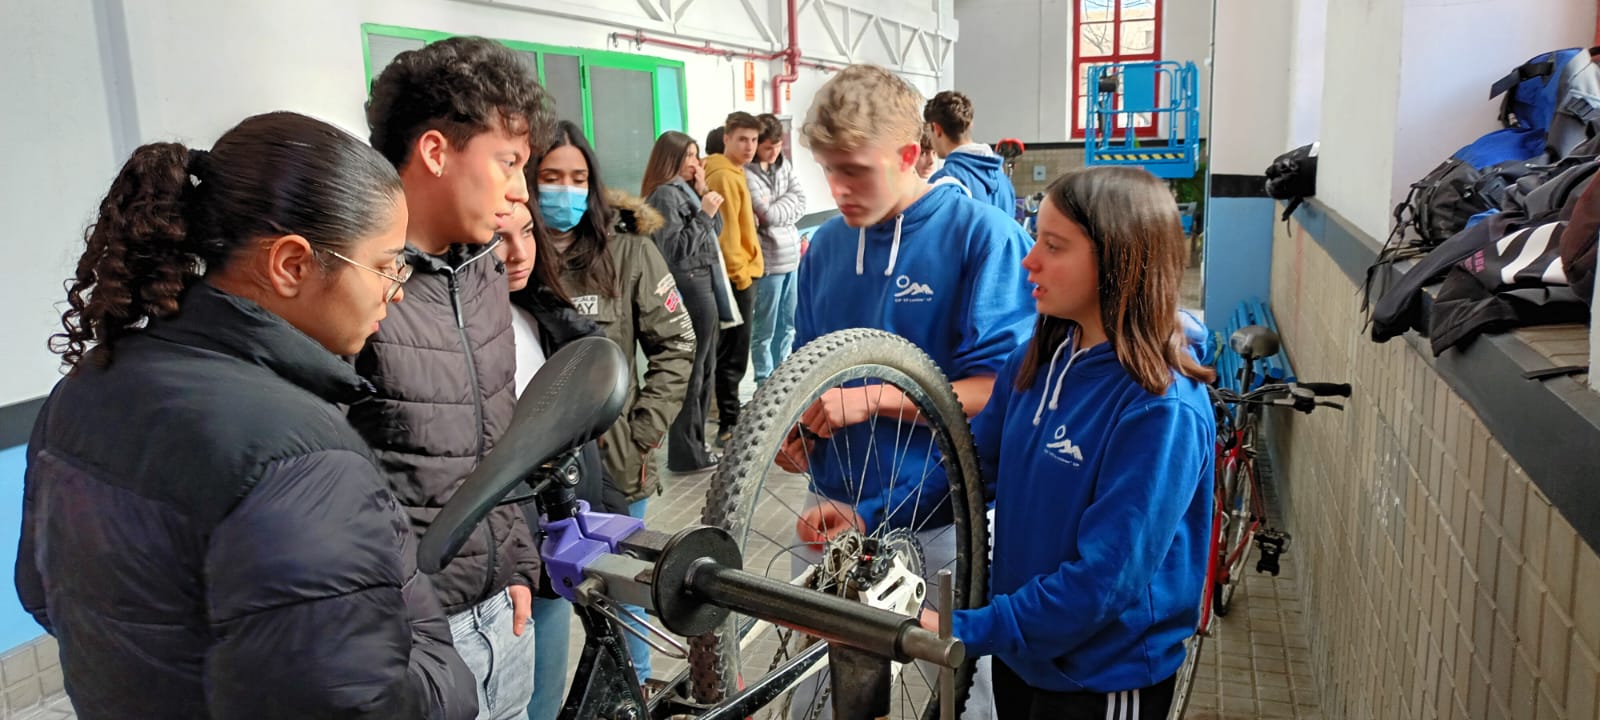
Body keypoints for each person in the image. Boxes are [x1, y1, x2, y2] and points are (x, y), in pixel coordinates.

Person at [16, 111, 476, 719]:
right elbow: (360, 703)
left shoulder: (85, 389)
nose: (395, 291)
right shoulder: (298, 454)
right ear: (291, 263)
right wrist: (443, 665)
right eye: (387, 266)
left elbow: (44, 593)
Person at [779, 63, 1035, 720]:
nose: (837, 190)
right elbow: (812, 364)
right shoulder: (827, 246)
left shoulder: (981, 238)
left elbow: (991, 391)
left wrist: (872, 398)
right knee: (822, 688)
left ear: (912, 154)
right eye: (826, 170)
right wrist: (799, 432)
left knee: (963, 688)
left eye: (856, 171)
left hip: (943, 514)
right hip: (839, 505)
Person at [919, 167, 1216, 719]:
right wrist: (871, 517)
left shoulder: (1159, 406)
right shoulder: (1037, 359)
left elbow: (1106, 579)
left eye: (1053, 246)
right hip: (1024, 655)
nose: (1030, 260)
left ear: (1120, 260)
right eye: (1036, 237)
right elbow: (972, 473)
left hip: (1101, 677)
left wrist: (972, 626)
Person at [355, 36, 554, 720]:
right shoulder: (355, 284)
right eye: (508, 162)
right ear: (436, 152)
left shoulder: (484, 270)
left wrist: (514, 562)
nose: (520, 190)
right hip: (409, 638)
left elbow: (502, 441)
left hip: (503, 611)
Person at [531, 120, 694, 686]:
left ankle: (638, 689)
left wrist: (640, 430)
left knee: (624, 593)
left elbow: (678, 341)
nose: (565, 191)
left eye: (578, 178)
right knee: (545, 598)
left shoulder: (627, 252)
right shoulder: (506, 253)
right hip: (531, 476)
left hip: (616, 463)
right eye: (550, 177)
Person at [492, 201, 628, 720]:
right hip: (507, 564)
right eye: (497, 238)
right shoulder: (459, 337)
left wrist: (608, 501)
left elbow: (579, 438)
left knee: (548, 695)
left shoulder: (544, 316)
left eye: (527, 233)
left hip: (560, 546)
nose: (519, 253)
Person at [643, 131, 724, 472]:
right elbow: (673, 250)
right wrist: (703, 213)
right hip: (689, 286)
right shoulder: (664, 194)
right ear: (671, 160)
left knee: (706, 369)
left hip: (703, 281)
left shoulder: (685, 191)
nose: (696, 162)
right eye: (689, 156)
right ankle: (686, 452)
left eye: (696, 155)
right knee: (694, 371)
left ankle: (696, 446)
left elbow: (713, 232)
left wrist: (705, 194)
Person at [706, 112, 764, 444]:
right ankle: (729, 422)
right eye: (742, 139)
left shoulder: (734, 172)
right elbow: (726, 237)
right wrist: (742, 276)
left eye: (753, 140)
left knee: (733, 350)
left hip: (742, 272)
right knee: (734, 351)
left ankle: (729, 414)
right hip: (735, 276)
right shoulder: (724, 176)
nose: (749, 146)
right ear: (726, 138)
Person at [745, 113, 808, 384]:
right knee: (765, 329)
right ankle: (763, 382)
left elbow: (801, 201)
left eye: (777, 146)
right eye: (768, 147)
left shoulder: (785, 166)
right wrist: (783, 207)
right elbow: (765, 214)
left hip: (792, 258)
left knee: (788, 326)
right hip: (768, 264)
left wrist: (777, 206)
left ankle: (781, 379)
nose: (774, 152)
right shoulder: (746, 174)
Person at [925, 90, 1017, 215]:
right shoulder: (1004, 182)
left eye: (929, 133)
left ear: (937, 129)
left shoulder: (943, 182)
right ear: (970, 125)